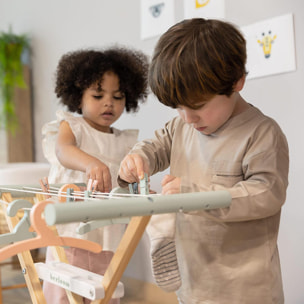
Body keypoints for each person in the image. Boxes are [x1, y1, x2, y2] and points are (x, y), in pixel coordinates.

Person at [118, 18, 289, 304]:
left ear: (237, 82)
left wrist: (194, 197)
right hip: (193, 279)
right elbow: (155, 147)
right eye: (178, 107)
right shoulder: (182, 126)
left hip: (245, 288)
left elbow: (267, 193)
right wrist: (137, 158)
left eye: (197, 106)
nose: (188, 118)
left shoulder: (261, 134)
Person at [42, 46, 149, 304]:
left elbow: (128, 177)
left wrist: (139, 188)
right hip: (69, 234)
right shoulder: (72, 126)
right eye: (98, 95)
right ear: (79, 97)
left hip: (109, 236)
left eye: (118, 96)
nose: (109, 103)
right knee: (64, 290)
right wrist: (90, 163)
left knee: (105, 290)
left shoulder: (124, 141)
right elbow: (63, 150)